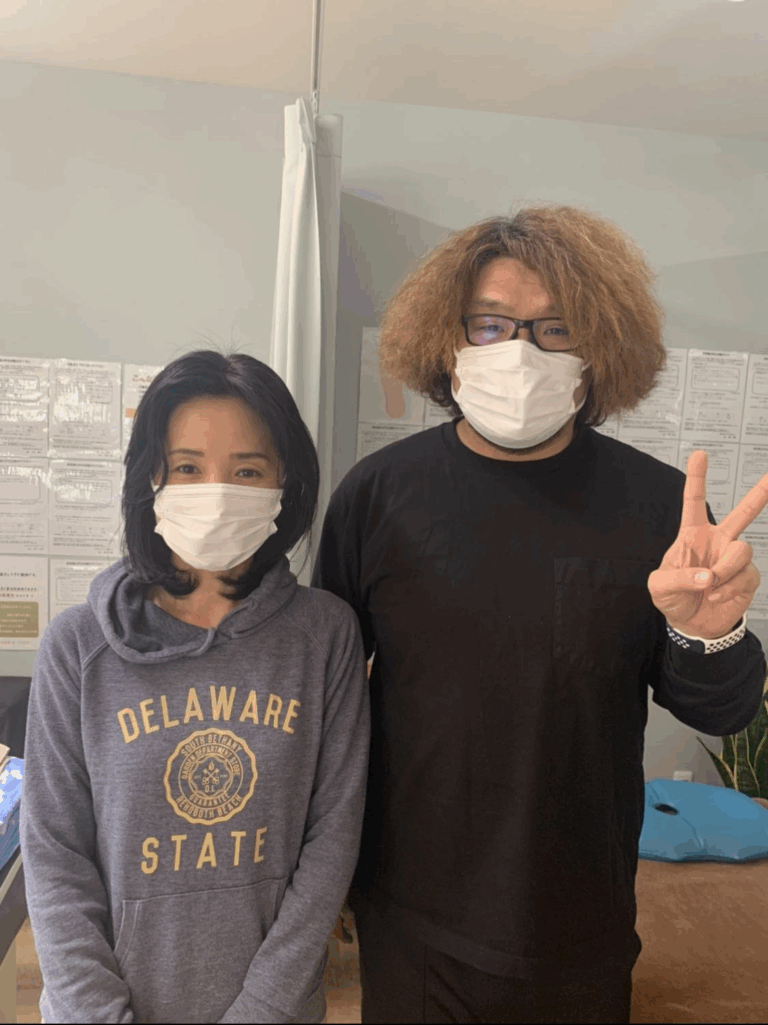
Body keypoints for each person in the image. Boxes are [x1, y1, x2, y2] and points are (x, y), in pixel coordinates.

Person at [312, 206, 768, 1024]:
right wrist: (330, 874)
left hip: (581, 917)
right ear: (447, 337)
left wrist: (709, 633)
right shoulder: (376, 497)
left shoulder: (660, 507)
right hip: (413, 917)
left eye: (555, 329)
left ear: (598, 349)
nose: (519, 350)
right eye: (490, 323)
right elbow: (328, 706)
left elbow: (722, 709)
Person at [20, 350, 370, 1024]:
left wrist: (262, 1011)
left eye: (247, 470)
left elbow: (332, 840)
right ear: (151, 478)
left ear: (285, 483)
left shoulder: (325, 635)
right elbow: (55, 856)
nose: (216, 490)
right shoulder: (78, 647)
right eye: (187, 467)